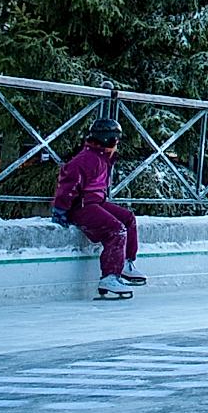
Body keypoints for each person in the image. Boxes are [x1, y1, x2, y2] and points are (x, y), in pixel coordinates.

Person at [51, 114, 144, 300]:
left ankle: (125, 261)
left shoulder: (103, 157)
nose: (118, 143)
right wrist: (61, 209)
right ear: (108, 139)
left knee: (128, 218)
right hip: (83, 206)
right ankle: (110, 276)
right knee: (116, 229)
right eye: (116, 139)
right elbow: (68, 184)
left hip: (96, 201)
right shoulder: (87, 159)